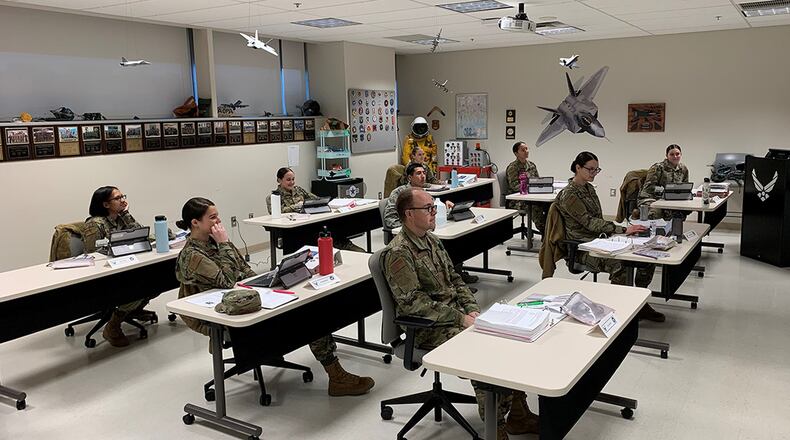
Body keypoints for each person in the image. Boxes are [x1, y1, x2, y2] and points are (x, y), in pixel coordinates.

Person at [174, 197, 375, 397]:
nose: (218, 221)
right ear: (195, 222)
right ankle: (337, 377)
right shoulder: (193, 254)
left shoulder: (214, 242)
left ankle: (334, 372)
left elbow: (244, 269)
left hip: (245, 297)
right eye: (213, 217)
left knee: (309, 306)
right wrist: (225, 244)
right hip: (222, 312)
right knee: (310, 317)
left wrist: (266, 285)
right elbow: (226, 280)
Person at [382, 188, 538, 440]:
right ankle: (495, 429)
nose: (435, 212)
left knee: (507, 338)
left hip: (453, 316)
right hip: (426, 328)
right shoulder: (399, 253)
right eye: (429, 209)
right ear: (409, 214)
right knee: (484, 352)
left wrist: (471, 309)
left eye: (434, 207)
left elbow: (456, 280)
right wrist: (460, 318)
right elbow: (413, 305)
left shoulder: (430, 239)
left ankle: (518, 415)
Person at [555, 152, 664, 322]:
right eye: (590, 169)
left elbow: (598, 220)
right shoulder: (570, 194)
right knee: (619, 263)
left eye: (596, 170)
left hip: (601, 241)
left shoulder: (588, 188)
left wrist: (618, 232)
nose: (593, 173)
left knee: (646, 256)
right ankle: (621, 309)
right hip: (583, 248)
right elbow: (589, 222)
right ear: (578, 168)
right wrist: (620, 230)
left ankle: (639, 302)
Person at [83, 186, 164, 347]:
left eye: (123, 196)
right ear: (106, 204)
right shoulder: (95, 224)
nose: (123, 200)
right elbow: (93, 253)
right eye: (118, 198)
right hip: (104, 272)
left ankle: (132, 309)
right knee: (138, 288)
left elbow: (140, 234)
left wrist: (126, 213)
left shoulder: (120, 218)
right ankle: (113, 325)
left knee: (157, 280)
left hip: (125, 266)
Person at [265, 167, 365, 252]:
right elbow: (278, 213)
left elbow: (315, 198)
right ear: (279, 180)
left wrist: (326, 201)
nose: (291, 182)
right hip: (293, 230)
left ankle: (343, 244)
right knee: (317, 233)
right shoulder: (273, 196)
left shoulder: (298, 190)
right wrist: (296, 206)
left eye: (293, 179)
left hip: (308, 222)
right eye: (288, 180)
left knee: (333, 224)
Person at [384, 163, 453, 230]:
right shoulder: (399, 193)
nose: (423, 176)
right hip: (408, 232)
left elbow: (432, 212)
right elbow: (390, 217)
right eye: (418, 173)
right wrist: (408, 229)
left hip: (424, 229)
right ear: (409, 178)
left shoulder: (425, 192)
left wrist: (445, 208)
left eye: (424, 173)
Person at [504, 141, 547, 234]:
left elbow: (537, 181)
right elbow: (514, 186)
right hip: (517, 200)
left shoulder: (531, 165)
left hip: (532, 196)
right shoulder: (513, 167)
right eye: (523, 150)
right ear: (516, 153)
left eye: (527, 149)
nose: (526, 151)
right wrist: (528, 186)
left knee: (548, 205)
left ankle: (550, 230)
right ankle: (544, 232)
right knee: (536, 207)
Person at [637, 144, 690, 220]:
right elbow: (648, 188)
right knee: (656, 213)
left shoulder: (683, 169)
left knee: (683, 211)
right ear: (667, 155)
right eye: (672, 154)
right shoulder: (658, 168)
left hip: (671, 199)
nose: (675, 157)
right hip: (651, 198)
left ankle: (674, 230)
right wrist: (664, 191)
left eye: (677, 154)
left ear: (681, 154)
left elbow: (684, 186)